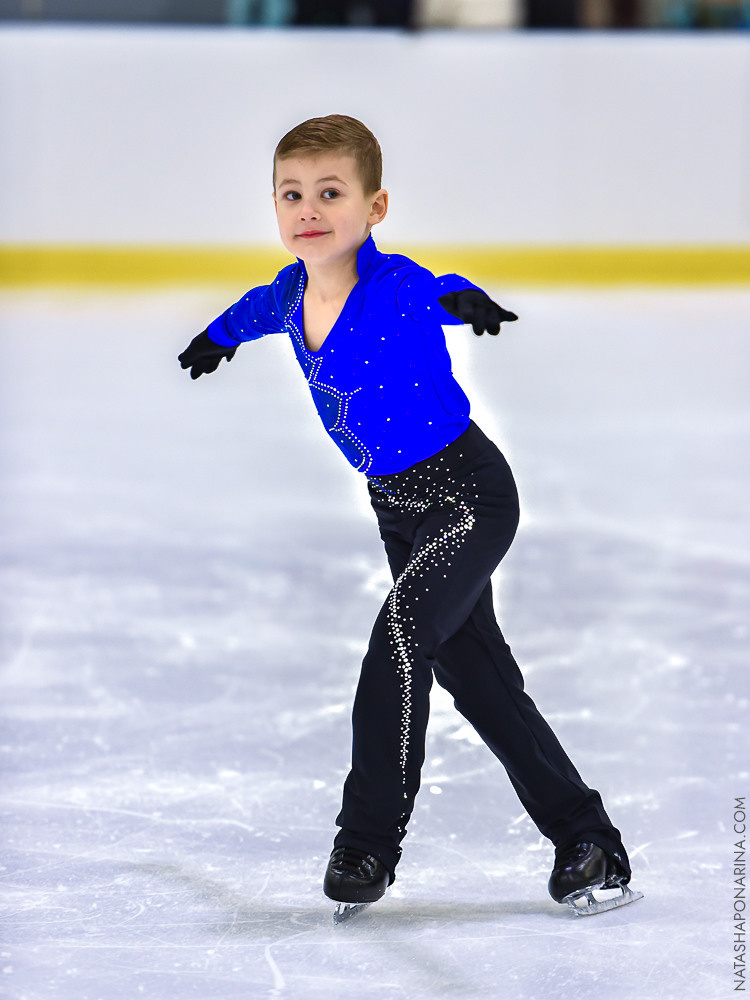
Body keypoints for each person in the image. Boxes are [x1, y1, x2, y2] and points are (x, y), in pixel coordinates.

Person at [178, 114, 641, 920]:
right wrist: (216, 337)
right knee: (479, 682)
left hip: (467, 496)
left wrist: (466, 301)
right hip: (397, 509)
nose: (308, 210)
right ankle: (587, 839)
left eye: (331, 193)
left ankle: (366, 843)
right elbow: (251, 310)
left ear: (375, 206)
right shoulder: (289, 294)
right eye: (291, 194)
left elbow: (436, 290)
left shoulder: (392, 288)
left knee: (398, 639)